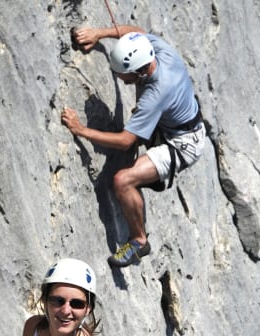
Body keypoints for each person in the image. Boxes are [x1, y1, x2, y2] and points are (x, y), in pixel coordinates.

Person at [61, 25, 205, 268]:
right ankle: (151, 170)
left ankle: (139, 240)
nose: (119, 78)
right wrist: (98, 34)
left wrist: (81, 130)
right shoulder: (157, 51)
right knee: (137, 132)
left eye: (122, 75)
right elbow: (134, 32)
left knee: (122, 180)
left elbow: (125, 140)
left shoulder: (156, 93)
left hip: (183, 144)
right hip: (175, 124)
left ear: (139, 73)